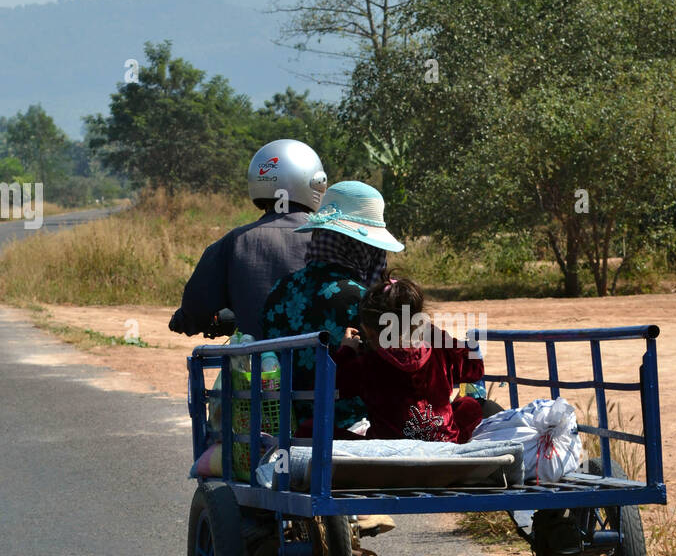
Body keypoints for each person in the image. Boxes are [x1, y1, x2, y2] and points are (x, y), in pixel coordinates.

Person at [261, 181, 403, 433]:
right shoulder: (364, 300)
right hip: (348, 427)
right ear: (362, 248)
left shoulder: (279, 289)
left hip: (289, 424)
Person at [168, 139, 327, 340]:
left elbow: (196, 307)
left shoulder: (235, 241)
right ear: (316, 182)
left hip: (256, 362)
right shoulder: (332, 240)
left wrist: (184, 320)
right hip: (321, 363)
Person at [335, 276, 487, 442]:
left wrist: (347, 350)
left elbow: (334, 384)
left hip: (389, 447)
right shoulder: (440, 350)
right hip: (444, 442)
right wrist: (440, 336)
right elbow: (475, 369)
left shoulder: (367, 364)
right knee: (470, 405)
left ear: (369, 330)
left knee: (311, 428)